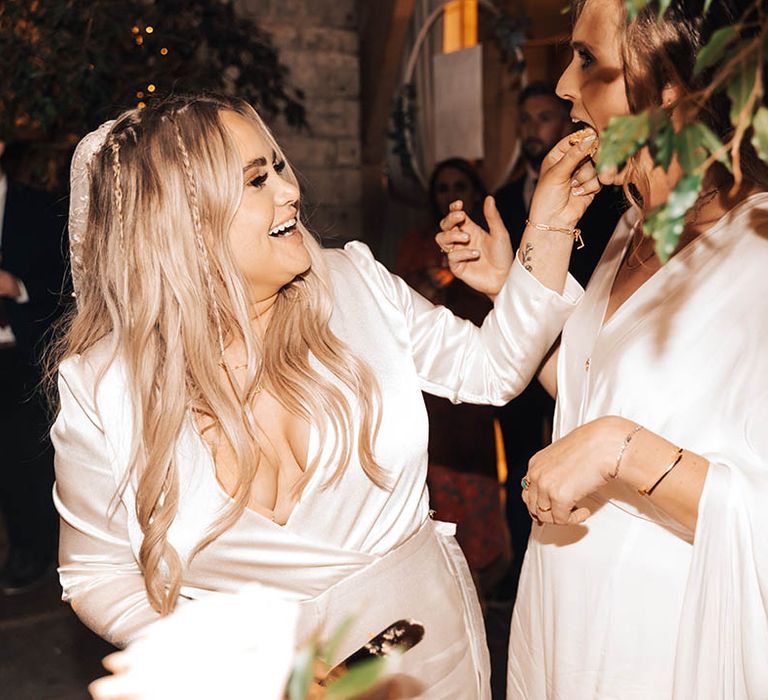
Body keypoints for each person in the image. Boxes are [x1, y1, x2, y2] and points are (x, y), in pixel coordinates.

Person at [49, 94, 599, 697]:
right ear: (184, 220)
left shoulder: (355, 284)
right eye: (257, 180)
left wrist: (550, 224)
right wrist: (220, 657)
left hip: (420, 651)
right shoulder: (103, 385)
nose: (289, 192)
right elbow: (97, 573)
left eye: (278, 168)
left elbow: (491, 368)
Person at [437, 0, 768, 696]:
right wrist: (511, 290)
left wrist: (620, 451)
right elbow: (601, 392)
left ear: (674, 87)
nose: (562, 83)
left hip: (664, 640)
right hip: (568, 609)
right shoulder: (630, 228)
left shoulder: (758, 249)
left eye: (588, 60)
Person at [493, 84, 626, 600]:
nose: (532, 129)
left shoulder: (610, 199)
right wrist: (497, 282)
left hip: (583, 338)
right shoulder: (504, 195)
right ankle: (517, 548)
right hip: (528, 348)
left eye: (542, 118)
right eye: (524, 119)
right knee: (525, 460)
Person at [396, 159, 509, 595]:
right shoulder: (417, 243)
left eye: (459, 185)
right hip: (431, 390)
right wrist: (432, 277)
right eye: (442, 186)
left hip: (479, 378)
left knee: (480, 474)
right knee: (438, 480)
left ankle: (485, 574)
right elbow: (400, 303)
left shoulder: (486, 241)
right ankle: (446, 580)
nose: (450, 193)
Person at [0, 140, 67, 594]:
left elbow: (66, 281)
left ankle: (31, 551)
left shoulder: (38, 207)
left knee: (24, 463)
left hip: (18, 355)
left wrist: (16, 286)